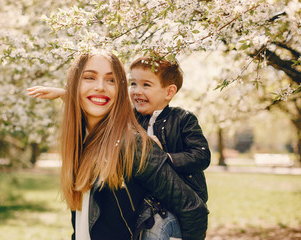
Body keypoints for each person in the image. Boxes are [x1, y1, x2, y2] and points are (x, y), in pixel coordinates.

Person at [27, 51, 209, 240]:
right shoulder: (84, 141)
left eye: (111, 80)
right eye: (89, 77)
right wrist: (68, 96)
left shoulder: (133, 145)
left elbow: (193, 209)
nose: (100, 87)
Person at [128, 56, 211, 240]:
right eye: (133, 83)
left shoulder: (182, 119)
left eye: (146, 85)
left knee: (155, 229)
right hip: (143, 201)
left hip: (179, 200)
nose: (137, 91)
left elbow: (201, 155)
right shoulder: (130, 120)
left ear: (169, 92)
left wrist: (165, 156)